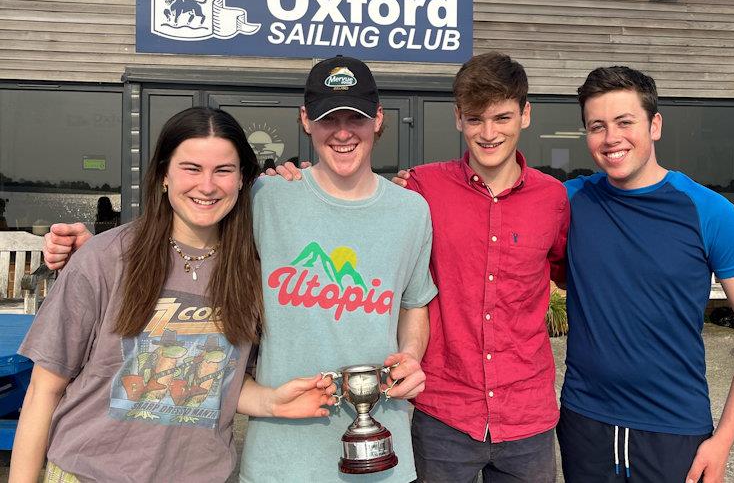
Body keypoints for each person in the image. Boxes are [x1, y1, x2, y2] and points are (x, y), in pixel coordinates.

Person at [42, 57, 437, 483]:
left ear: (378, 119)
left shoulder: (411, 211)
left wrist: (411, 355)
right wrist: (91, 249)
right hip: (281, 454)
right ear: (305, 121)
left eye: (355, 117)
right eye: (328, 118)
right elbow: (190, 228)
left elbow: (414, 302)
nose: (342, 132)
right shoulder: (266, 196)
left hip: (383, 453)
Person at [12, 107, 335, 483]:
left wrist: (271, 402)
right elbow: (42, 390)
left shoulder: (253, 271)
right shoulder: (105, 258)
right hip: (89, 473)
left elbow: (221, 384)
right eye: (191, 168)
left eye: (223, 170)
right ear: (164, 174)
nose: (207, 185)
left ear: (244, 178)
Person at [556, 66, 734, 483]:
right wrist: (415, 186)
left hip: (674, 428)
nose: (611, 138)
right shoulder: (568, 202)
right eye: (597, 126)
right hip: (584, 422)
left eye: (625, 122)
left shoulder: (709, 211)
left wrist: (724, 439)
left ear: (654, 124)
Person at [366, 52, 569, 482]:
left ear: (525, 114)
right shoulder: (421, 188)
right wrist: (299, 179)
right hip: (444, 413)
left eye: (502, 117)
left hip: (526, 415)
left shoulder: (554, 199)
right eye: (476, 119)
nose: (489, 133)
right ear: (458, 118)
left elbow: (572, 274)